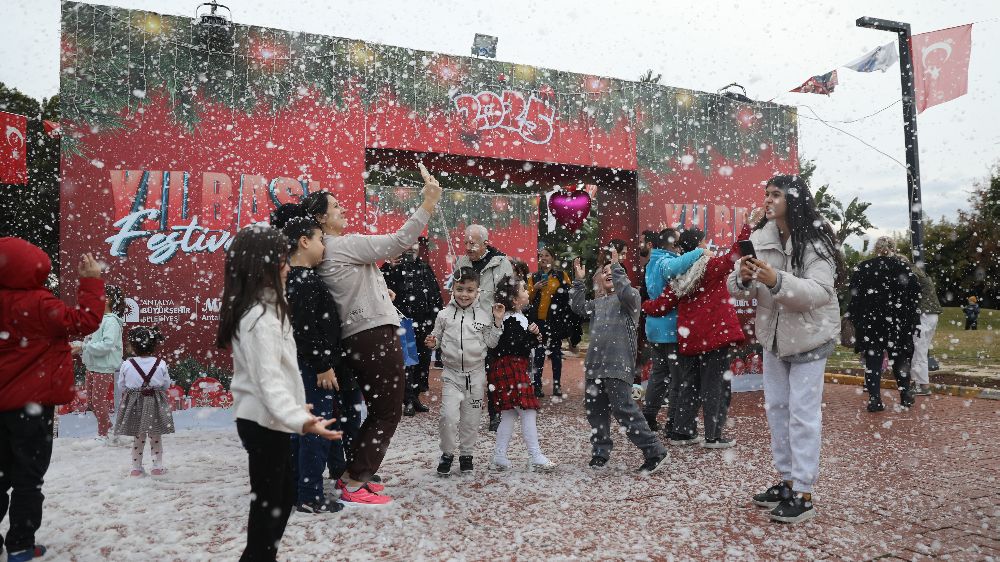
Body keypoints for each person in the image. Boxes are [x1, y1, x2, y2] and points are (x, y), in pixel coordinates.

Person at [308, 162, 442, 503]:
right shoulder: (342, 245)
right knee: (388, 410)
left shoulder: (326, 252)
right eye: (336, 207)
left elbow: (353, 287)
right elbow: (398, 242)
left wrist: (382, 293)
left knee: (377, 409)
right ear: (321, 219)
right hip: (372, 334)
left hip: (359, 336)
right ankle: (355, 479)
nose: (343, 209)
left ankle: (354, 473)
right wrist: (427, 203)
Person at [216, 225, 342, 561]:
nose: (288, 266)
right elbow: (268, 381)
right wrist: (302, 420)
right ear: (264, 267)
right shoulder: (259, 317)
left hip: (271, 420)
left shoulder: (270, 306)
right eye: (282, 260)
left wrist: (297, 414)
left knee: (280, 498)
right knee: (270, 506)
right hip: (262, 422)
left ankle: (262, 555)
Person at [728, 175, 845, 524]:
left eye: (776, 194)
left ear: (793, 199)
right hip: (774, 339)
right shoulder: (759, 239)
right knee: (777, 410)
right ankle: (786, 481)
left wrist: (775, 280)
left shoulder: (816, 241)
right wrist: (746, 278)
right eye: (766, 194)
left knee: (803, 415)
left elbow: (820, 291)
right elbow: (739, 289)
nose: (768, 200)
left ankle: (804, 491)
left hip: (809, 337)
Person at [0, 239, 105, 562]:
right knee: (28, 480)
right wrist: (91, 281)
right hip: (32, 407)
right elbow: (85, 321)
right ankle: (20, 544)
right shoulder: (41, 304)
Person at [271, 209, 351, 514]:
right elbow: (304, 330)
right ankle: (309, 494)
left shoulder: (292, 278)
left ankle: (298, 489)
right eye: (320, 239)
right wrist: (322, 366)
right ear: (304, 242)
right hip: (310, 369)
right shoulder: (302, 280)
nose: (325, 246)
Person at [646, 221, 752, 449]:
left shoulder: (679, 274)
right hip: (714, 336)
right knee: (716, 386)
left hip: (690, 337)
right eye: (705, 241)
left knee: (690, 385)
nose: (708, 245)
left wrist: (641, 305)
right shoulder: (711, 267)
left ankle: (682, 432)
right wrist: (747, 226)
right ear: (698, 246)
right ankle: (713, 436)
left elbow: (661, 305)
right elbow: (736, 253)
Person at [570, 248, 668, 474]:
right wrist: (578, 281)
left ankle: (654, 450)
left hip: (618, 366)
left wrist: (616, 268)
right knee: (595, 412)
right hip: (595, 367)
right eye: (604, 271)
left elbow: (626, 292)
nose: (608, 274)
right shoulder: (597, 304)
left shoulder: (629, 298)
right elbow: (577, 307)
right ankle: (600, 453)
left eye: (612, 271)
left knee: (624, 410)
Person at [425, 267, 504, 476]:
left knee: (471, 419)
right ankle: (447, 454)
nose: (464, 294)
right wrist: (432, 343)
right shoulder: (444, 315)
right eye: (460, 289)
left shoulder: (484, 314)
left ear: (478, 291)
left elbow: (492, 343)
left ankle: (466, 454)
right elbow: (436, 339)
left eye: (470, 290)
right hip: (451, 375)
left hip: (476, 376)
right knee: (448, 417)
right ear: (453, 289)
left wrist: (497, 322)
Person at [640, 228, 704, 434]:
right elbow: (674, 268)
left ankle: (648, 416)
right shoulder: (664, 261)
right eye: (677, 243)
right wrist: (699, 252)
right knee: (677, 379)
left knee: (659, 375)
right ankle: (673, 421)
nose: (679, 247)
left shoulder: (652, 261)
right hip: (669, 330)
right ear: (670, 245)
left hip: (655, 328)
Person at [846, 236, 921, 412]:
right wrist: (911, 319)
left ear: (876, 249)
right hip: (897, 321)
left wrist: (855, 316)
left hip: (871, 322)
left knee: (873, 360)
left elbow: (855, 295)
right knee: (900, 357)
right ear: (893, 248)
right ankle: (905, 395)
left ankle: (874, 399)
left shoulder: (864, 268)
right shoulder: (902, 267)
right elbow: (915, 294)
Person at [489, 275, 555, 472]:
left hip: (507, 367)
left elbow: (520, 344)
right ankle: (535, 455)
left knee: (509, 413)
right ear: (515, 299)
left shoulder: (516, 318)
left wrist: (534, 336)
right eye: (524, 290)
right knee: (528, 410)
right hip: (512, 367)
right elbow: (516, 346)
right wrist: (533, 336)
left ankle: (499, 456)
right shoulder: (512, 319)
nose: (528, 292)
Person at [452, 223, 513, 431]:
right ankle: (469, 414)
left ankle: (495, 414)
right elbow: (457, 292)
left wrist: (498, 317)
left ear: (485, 244)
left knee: (493, 372)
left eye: (473, 243)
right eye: (466, 242)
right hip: (466, 325)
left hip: (490, 325)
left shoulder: (501, 263)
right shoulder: (461, 261)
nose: (468, 247)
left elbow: (507, 293)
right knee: (466, 372)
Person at [381, 241, 444, 416]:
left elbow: (435, 295)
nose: (409, 249)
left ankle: (415, 396)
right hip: (403, 322)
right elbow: (379, 286)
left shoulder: (424, 267)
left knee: (423, 362)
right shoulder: (390, 268)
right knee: (407, 362)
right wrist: (388, 266)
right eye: (405, 245)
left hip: (423, 323)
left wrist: (434, 319)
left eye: (412, 245)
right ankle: (407, 399)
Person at [113, 326, 175, 477]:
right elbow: (166, 384)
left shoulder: (127, 364)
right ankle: (157, 466)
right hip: (155, 403)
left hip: (135, 404)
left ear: (133, 346)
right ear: (154, 345)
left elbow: (122, 386)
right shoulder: (160, 363)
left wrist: (135, 391)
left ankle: (136, 468)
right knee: (155, 435)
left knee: (138, 436)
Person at [72, 284, 126, 440]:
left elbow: (107, 345)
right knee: (91, 401)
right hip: (92, 366)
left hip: (104, 367)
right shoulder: (97, 320)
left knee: (98, 401)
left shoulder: (111, 322)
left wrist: (83, 346)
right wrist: (79, 346)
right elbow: (90, 342)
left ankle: (103, 434)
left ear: (108, 300)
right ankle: (108, 428)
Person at [528, 247, 573, 398]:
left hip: (555, 322)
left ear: (553, 258)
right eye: (541, 256)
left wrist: (560, 292)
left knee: (555, 354)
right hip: (538, 321)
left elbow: (569, 295)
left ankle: (556, 385)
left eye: (547, 255)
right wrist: (535, 288)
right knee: (539, 354)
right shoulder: (534, 277)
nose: (543, 258)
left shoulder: (561, 275)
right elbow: (526, 299)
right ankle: (537, 386)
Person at [907, 260, 942, 396]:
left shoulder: (912, 274)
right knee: (921, 349)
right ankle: (918, 383)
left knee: (919, 351)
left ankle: (923, 385)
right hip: (932, 314)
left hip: (923, 316)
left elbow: (911, 295)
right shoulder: (921, 273)